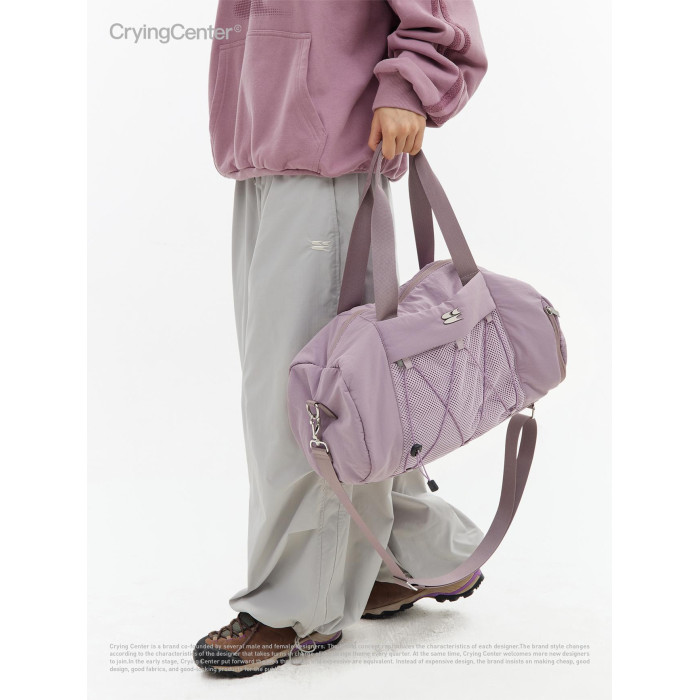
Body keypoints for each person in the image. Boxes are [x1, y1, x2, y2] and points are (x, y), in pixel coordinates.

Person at [194, 0, 489, 678]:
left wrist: (409, 86)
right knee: (352, 388)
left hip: (325, 154)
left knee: (303, 399)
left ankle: (296, 606)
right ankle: (409, 554)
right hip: (269, 146)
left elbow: (439, 13)